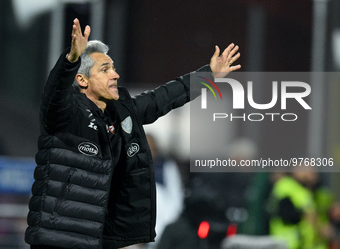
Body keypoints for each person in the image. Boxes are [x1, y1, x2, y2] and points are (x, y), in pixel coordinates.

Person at [25, 18, 241, 249]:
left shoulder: (121, 112)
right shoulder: (65, 113)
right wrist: (70, 60)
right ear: (82, 79)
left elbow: (164, 97)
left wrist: (207, 75)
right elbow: (54, 94)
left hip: (99, 239)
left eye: (114, 68)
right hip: (58, 238)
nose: (115, 75)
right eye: (105, 69)